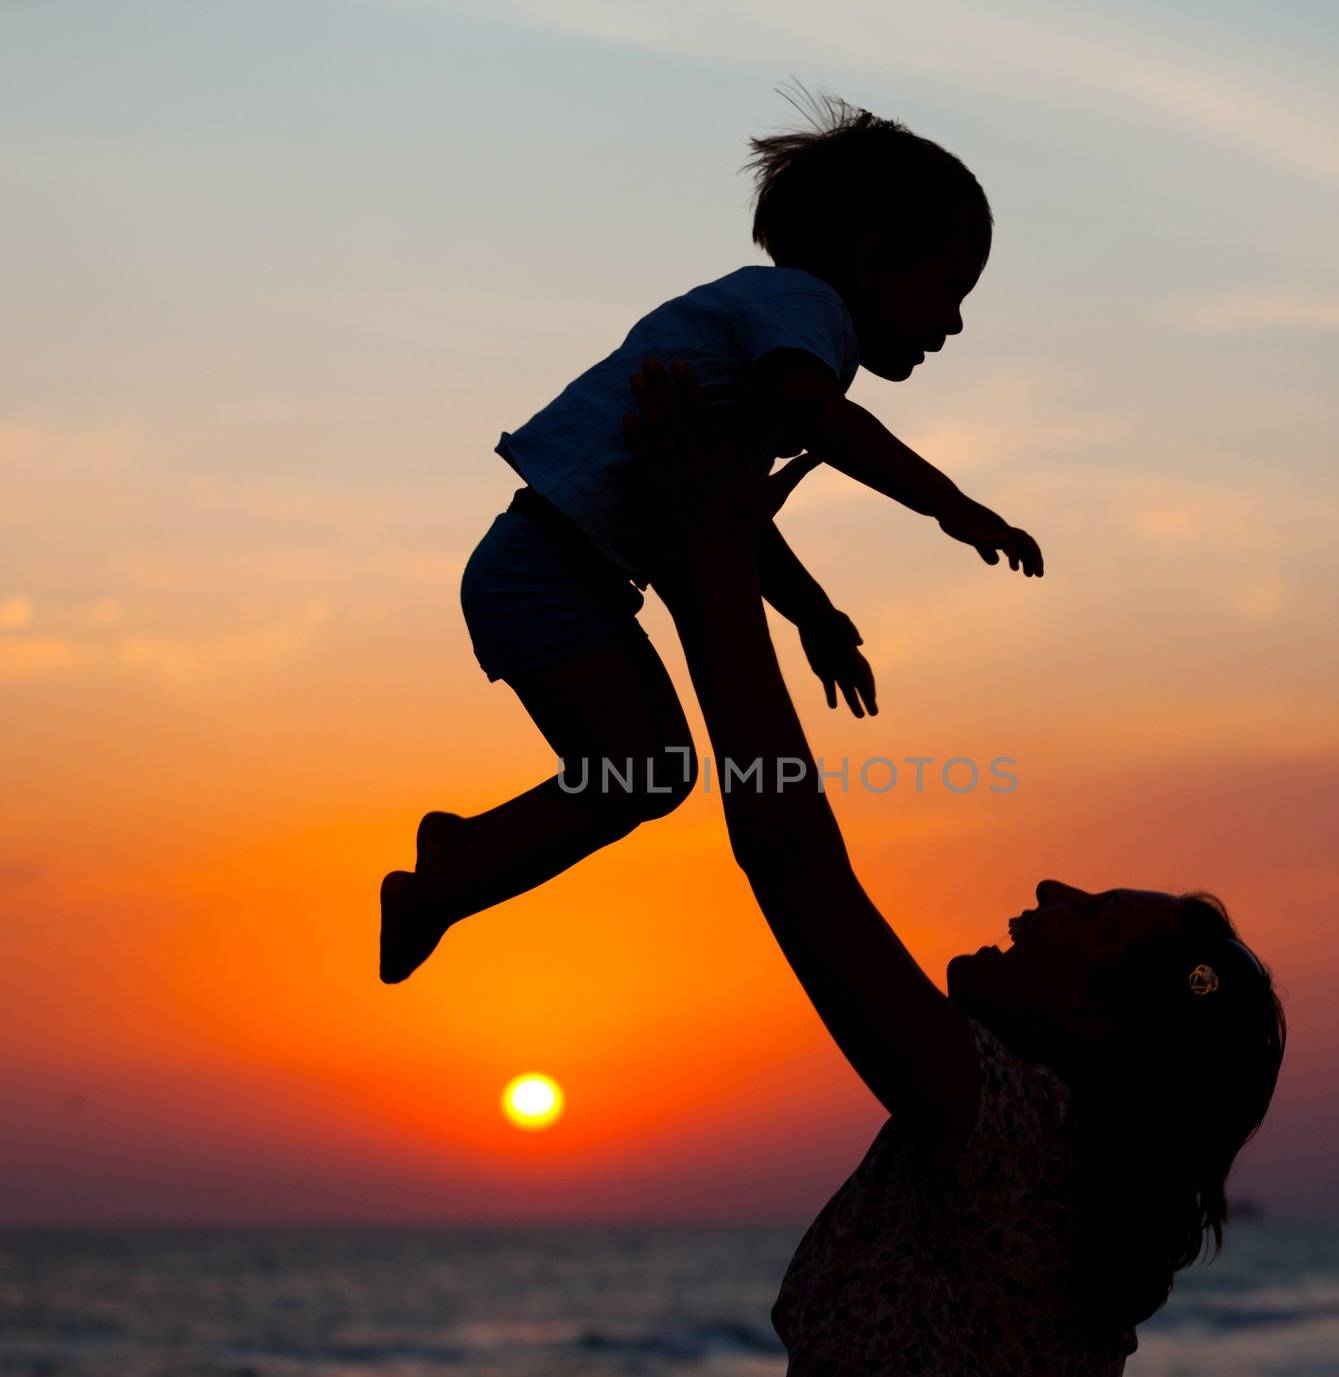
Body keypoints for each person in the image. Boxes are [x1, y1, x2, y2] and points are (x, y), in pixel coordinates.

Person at [624, 356, 1287, 1377]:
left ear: (1094, 1019)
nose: (1046, 885)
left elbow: (795, 864)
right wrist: (698, 568)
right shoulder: (1062, 1178)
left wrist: (713, 559)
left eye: (1086, 913)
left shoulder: (1011, 1136)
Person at [379, 91, 1042, 984]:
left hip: (556, 570)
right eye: (950, 293)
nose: (955, 324)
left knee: (651, 770)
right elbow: (825, 423)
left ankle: (465, 854)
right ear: (876, 257)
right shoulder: (802, 311)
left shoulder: (772, 330)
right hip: (544, 572)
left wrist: (814, 614)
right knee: (649, 770)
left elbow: (727, 522)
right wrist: (951, 504)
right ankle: (447, 877)